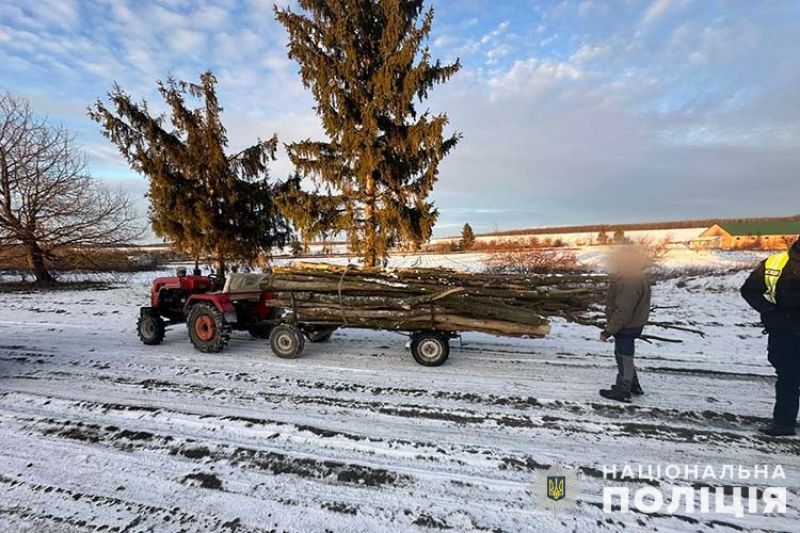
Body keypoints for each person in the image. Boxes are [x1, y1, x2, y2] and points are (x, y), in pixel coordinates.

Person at [740, 237, 800, 437]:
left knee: (787, 379)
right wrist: (769, 312)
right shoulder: (775, 263)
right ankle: (783, 423)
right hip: (785, 331)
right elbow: (749, 290)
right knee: (787, 378)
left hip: (784, 329)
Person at [599, 246, 652, 402]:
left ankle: (623, 391)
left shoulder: (629, 281)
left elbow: (624, 310)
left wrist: (608, 331)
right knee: (626, 356)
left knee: (623, 356)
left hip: (627, 325)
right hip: (633, 324)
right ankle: (634, 386)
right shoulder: (636, 275)